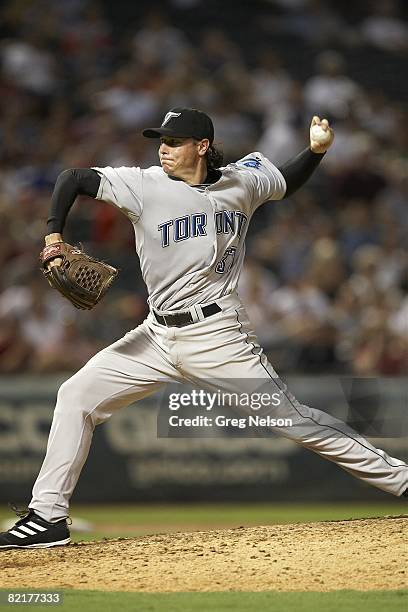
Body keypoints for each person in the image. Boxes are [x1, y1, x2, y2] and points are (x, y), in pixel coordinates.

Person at [1, 108, 406, 549]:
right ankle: (47, 517)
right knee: (75, 395)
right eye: (161, 140)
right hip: (155, 336)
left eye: (173, 142)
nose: (163, 149)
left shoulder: (243, 179)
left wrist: (315, 152)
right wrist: (53, 238)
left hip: (219, 337)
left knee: (296, 422)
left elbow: (286, 183)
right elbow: (73, 177)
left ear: (202, 146)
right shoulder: (144, 184)